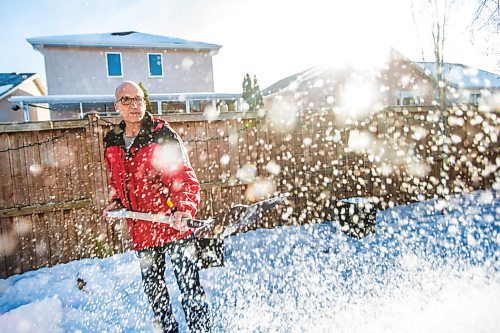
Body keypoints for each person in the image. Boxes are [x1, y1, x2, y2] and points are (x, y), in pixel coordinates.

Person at [103, 81, 211, 332]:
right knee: (155, 292)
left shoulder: (161, 133)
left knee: (190, 288)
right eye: (126, 100)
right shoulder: (112, 141)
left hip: (174, 224)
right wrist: (115, 201)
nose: (134, 105)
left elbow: (184, 176)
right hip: (143, 229)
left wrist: (184, 207)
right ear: (116, 106)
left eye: (138, 99)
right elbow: (116, 180)